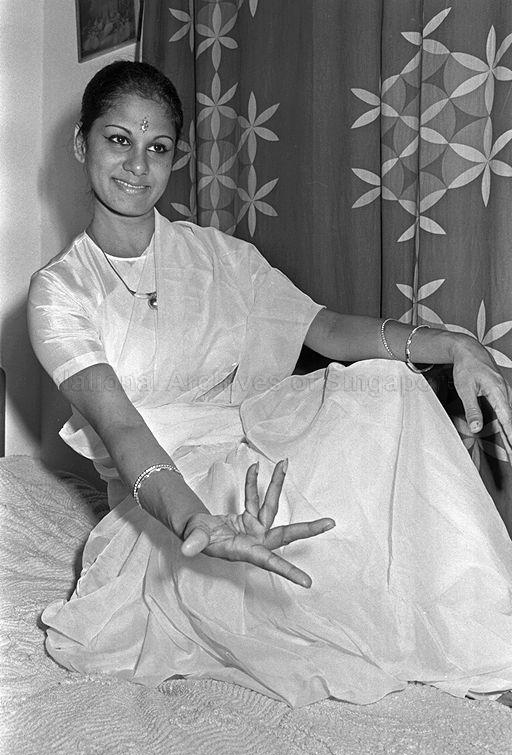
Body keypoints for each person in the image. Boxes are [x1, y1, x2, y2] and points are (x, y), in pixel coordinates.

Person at [28, 61, 512, 708]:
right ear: (81, 143)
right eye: (119, 140)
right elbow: (120, 425)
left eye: (158, 147)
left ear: (175, 157)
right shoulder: (59, 292)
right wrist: (200, 521)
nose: (138, 165)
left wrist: (454, 345)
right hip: (168, 508)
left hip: (250, 456)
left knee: (389, 388)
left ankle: (489, 641)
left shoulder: (220, 257)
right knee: (293, 572)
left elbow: (328, 329)